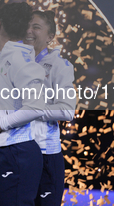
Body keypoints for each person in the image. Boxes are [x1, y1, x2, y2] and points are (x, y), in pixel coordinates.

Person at [0, 2, 47, 206]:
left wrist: (0, 123)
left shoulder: (21, 61)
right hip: (4, 151)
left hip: (17, 152)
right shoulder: (4, 55)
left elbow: (36, 107)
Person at [25, 10, 76, 206]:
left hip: (45, 152)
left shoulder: (59, 65)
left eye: (36, 27)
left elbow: (67, 111)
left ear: (50, 36)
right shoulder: (14, 62)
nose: (29, 31)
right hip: (18, 152)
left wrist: (29, 111)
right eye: (26, 26)